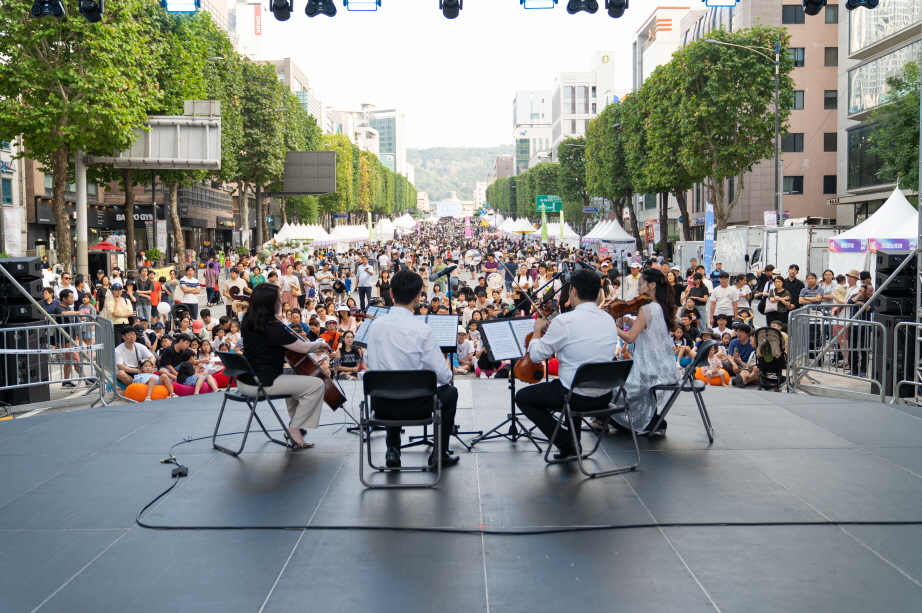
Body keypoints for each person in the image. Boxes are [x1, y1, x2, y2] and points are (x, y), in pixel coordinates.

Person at [515, 269, 621, 458]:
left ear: (573, 291)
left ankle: (567, 442)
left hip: (575, 395)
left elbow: (537, 356)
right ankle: (573, 441)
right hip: (605, 394)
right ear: (597, 293)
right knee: (571, 381)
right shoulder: (608, 318)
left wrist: (538, 332)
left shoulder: (564, 321)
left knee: (524, 397)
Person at [364, 269, 461, 469]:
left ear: (391, 293)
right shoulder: (422, 329)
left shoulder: (374, 326)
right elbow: (443, 376)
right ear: (418, 297)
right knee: (450, 392)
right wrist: (447, 376)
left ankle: (393, 450)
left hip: (381, 407)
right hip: (416, 407)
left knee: (391, 382)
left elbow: (370, 361)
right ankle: (439, 454)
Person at [236, 282, 330, 449]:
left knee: (298, 375)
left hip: (245, 379)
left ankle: (296, 424)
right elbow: (302, 347)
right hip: (261, 382)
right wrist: (319, 343)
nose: (280, 303)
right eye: (277, 300)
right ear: (269, 304)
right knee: (317, 384)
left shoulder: (249, 322)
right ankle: (294, 428)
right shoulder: (272, 327)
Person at [614, 268, 681, 435]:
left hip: (649, 369)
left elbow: (630, 338)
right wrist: (628, 318)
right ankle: (652, 421)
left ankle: (638, 422)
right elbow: (647, 329)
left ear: (651, 285)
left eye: (640, 283)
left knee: (613, 387)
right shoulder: (662, 307)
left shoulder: (647, 309)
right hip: (665, 368)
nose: (637, 288)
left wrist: (611, 326)